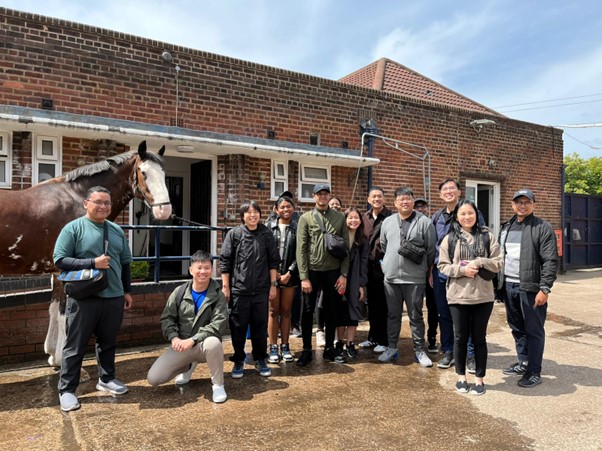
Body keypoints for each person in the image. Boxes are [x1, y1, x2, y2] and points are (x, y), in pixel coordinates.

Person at [53, 186, 133, 412]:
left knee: (108, 342)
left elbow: (125, 262)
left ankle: (106, 379)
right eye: (98, 202)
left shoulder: (116, 230)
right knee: (75, 346)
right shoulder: (73, 229)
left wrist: (127, 291)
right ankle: (67, 390)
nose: (104, 207)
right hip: (84, 297)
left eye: (107, 203)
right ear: (86, 203)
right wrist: (91, 263)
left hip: (114, 296)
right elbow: (60, 260)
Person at [437, 200, 503, 395]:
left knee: (479, 338)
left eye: (470, 213)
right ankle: (461, 378)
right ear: (457, 216)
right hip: (458, 296)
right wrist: (462, 270)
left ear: (476, 214)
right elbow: (442, 266)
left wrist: (480, 261)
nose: (467, 217)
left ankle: (480, 380)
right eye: (463, 214)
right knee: (460, 337)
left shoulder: (487, 237)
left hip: (483, 296)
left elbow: (499, 262)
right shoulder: (449, 239)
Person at [147, 250, 228, 403]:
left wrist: (194, 339)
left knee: (213, 343)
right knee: (154, 378)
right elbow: (167, 318)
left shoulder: (218, 295)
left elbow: (218, 324)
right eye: (199, 267)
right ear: (191, 270)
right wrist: (174, 337)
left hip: (203, 345)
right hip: (183, 346)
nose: (203, 271)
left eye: (207, 267)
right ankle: (187, 366)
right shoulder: (180, 292)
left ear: (212, 269)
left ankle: (218, 385)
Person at [498, 189, 558, 388]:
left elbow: (550, 260)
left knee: (534, 330)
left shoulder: (542, 227)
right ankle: (523, 361)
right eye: (518, 202)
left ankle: (534, 371)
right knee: (516, 327)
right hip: (509, 285)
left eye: (526, 202)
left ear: (534, 204)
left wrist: (545, 288)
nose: (522, 205)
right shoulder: (506, 227)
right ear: (512, 205)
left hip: (530, 287)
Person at [220, 200, 281, 378]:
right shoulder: (234, 234)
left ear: (260, 214)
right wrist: (226, 287)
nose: (252, 215)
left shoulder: (266, 234)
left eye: (256, 211)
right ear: (243, 216)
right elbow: (225, 262)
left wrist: (273, 285)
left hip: (261, 290)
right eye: (248, 212)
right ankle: (239, 360)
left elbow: (273, 262)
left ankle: (260, 358)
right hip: (239, 290)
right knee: (238, 327)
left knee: (260, 327)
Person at [379, 187, 436, 367]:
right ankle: (391, 347)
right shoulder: (388, 222)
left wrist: (424, 271)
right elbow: (384, 245)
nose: (405, 202)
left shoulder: (424, 222)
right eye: (401, 199)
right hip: (391, 278)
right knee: (393, 315)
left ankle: (419, 350)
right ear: (395, 203)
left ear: (413, 201)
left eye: (408, 199)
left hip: (415, 279)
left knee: (416, 316)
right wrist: (388, 266)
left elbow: (431, 250)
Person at [431, 178, 482, 371]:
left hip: (466, 273)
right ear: (440, 194)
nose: (448, 191)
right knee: (444, 314)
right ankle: (448, 351)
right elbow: (433, 247)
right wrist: (431, 270)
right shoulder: (436, 217)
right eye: (445, 189)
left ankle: (470, 355)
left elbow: (481, 240)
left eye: (452, 188)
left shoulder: (471, 212)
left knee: (466, 315)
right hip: (442, 274)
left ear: (460, 191)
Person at [296, 184, 350, 366]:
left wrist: (343, 274)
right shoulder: (306, 218)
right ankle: (306, 349)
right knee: (308, 310)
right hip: (312, 271)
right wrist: (304, 276)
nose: (323, 197)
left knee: (332, 309)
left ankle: (329, 348)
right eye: (320, 194)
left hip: (333, 271)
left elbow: (345, 249)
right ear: (314, 196)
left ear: (329, 196)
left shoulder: (339, 218)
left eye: (326, 194)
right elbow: (301, 249)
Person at [265, 196, 299, 363]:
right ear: (276, 210)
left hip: (290, 277)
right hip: (272, 275)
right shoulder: (268, 228)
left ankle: (285, 346)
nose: (286, 210)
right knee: (272, 311)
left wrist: (289, 273)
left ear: (293, 208)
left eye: (289, 206)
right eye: (282, 207)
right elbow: (265, 253)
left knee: (286, 311)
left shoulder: (298, 228)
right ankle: (272, 346)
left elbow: (301, 253)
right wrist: (275, 274)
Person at [360, 187, 393, 353]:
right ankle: (372, 338)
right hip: (368, 267)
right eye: (373, 196)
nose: (377, 199)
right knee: (372, 304)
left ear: (384, 199)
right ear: (368, 199)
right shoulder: (364, 217)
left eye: (380, 196)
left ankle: (383, 340)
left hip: (384, 267)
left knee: (383, 305)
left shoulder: (391, 217)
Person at [335, 207, 369, 359]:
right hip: (339, 278)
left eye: (356, 218)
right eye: (350, 218)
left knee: (353, 312)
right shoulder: (339, 236)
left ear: (360, 220)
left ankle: (350, 343)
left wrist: (362, 284)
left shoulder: (362, 239)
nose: (353, 220)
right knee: (340, 311)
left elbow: (363, 263)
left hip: (355, 280)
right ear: (345, 219)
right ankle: (339, 343)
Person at [414, 197, 438, 354]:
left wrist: (431, 272)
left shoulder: (431, 224)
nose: (421, 209)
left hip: (428, 272)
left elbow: (432, 251)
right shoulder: (410, 224)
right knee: (415, 307)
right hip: (414, 273)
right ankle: (417, 340)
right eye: (418, 207)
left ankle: (432, 338)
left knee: (433, 307)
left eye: (423, 206)